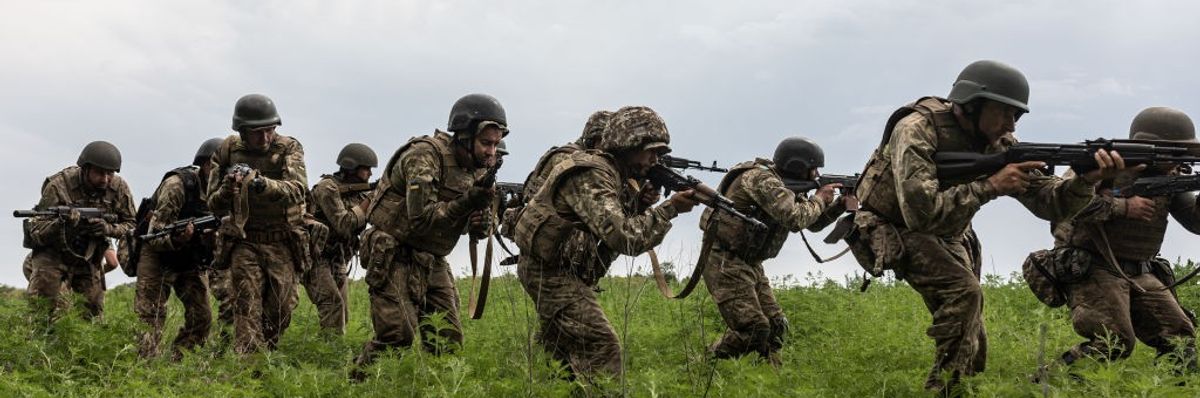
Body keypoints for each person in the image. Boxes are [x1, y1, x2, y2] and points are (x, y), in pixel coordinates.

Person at [851, 60, 1125, 393]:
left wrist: (1086, 179)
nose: (1011, 125)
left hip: (949, 228)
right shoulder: (916, 128)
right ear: (972, 104)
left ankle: (966, 386)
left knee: (972, 332)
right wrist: (991, 186)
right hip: (893, 224)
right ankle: (945, 390)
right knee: (964, 293)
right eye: (1005, 113)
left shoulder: (999, 143)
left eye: (1017, 117)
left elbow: (1050, 202)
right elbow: (919, 214)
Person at [514, 105, 698, 377]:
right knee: (602, 345)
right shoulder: (591, 172)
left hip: (565, 271)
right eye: (652, 151)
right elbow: (626, 237)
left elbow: (612, 224)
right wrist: (670, 208)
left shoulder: (612, 174)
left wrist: (639, 202)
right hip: (550, 273)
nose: (655, 160)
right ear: (629, 144)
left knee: (561, 364)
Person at [354, 93, 505, 369]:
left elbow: (466, 224)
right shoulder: (425, 155)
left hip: (432, 258)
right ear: (463, 135)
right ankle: (357, 383)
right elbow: (421, 218)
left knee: (447, 341)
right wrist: (468, 202)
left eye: (496, 145)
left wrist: (481, 223)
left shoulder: (478, 169)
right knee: (396, 337)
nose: (491, 152)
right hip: (393, 251)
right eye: (486, 143)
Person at [1048, 106, 1200, 369]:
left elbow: (1196, 223)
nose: (1179, 159)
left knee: (1179, 338)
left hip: (1140, 271)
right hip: (1093, 265)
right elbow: (1065, 205)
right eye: (1174, 151)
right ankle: (1047, 385)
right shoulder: (1102, 165)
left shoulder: (1170, 175)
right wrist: (1123, 207)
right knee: (1114, 341)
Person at [701, 136, 851, 365]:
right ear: (798, 166)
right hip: (725, 259)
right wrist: (820, 199)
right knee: (754, 328)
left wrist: (838, 206)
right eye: (813, 169)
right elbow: (796, 218)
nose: (817, 175)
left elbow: (812, 224)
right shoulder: (762, 180)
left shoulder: (785, 186)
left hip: (751, 262)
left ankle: (772, 379)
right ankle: (706, 363)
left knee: (776, 325)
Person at [207, 94, 309, 354]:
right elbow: (213, 204)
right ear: (242, 131)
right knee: (247, 310)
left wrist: (261, 184)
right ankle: (248, 372)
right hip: (246, 241)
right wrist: (229, 189)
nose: (264, 138)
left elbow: (299, 189)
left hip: (282, 241)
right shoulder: (227, 150)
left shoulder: (289, 148)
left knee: (280, 311)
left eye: (269, 130)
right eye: (257, 132)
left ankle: (268, 357)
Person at [24, 141, 136, 327]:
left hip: (88, 256)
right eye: (99, 173)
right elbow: (37, 230)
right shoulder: (59, 185)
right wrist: (62, 224)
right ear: (85, 169)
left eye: (110, 174)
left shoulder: (118, 188)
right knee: (42, 310)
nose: (105, 179)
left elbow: (132, 225)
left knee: (92, 312)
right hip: (53, 254)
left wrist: (108, 229)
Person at [135, 137, 222, 359]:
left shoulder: (223, 193)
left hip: (190, 257)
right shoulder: (177, 186)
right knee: (149, 318)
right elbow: (154, 234)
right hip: (158, 254)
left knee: (202, 318)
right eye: (215, 166)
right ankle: (142, 370)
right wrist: (179, 239)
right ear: (204, 164)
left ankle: (178, 363)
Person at [304, 143, 377, 334]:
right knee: (332, 305)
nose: (369, 173)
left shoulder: (360, 191)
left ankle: (336, 355)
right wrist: (370, 199)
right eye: (366, 168)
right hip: (316, 257)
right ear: (351, 166)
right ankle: (328, 357)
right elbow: (344, 224)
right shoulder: (327, 188)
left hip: (339, 258)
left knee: (343, 313)